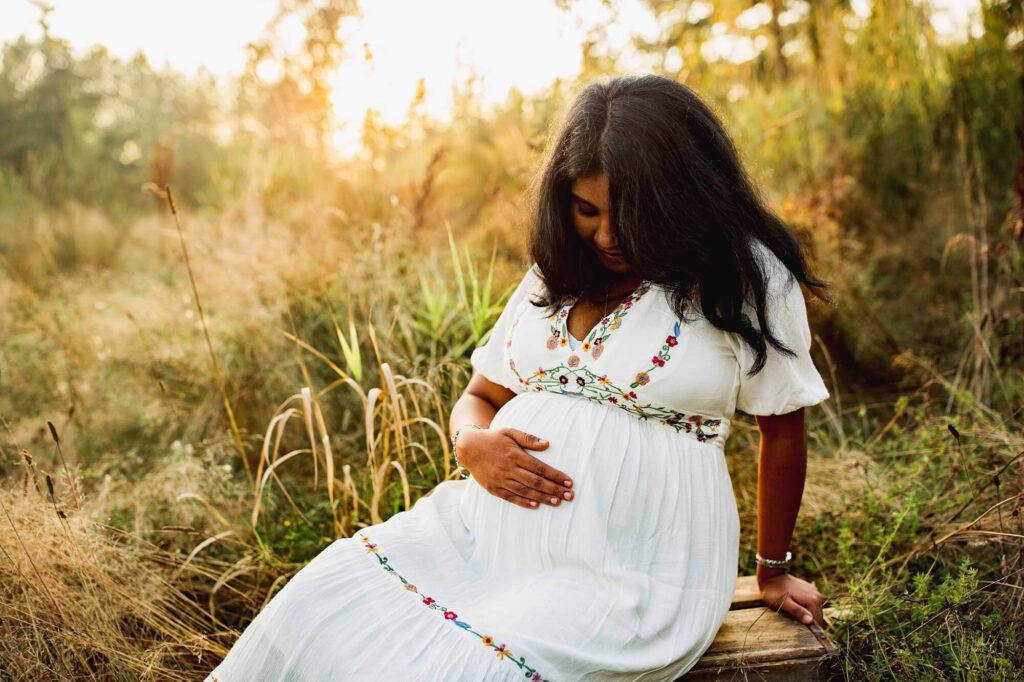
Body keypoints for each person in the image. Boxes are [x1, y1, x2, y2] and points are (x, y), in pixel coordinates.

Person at [203, 73, 831, 681]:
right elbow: (481, 397)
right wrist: (471, 444)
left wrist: (772, 570)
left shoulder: (745, 277)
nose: (607, 235)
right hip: (478, 541)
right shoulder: (557, 272)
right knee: (320, 601)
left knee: (473, 669)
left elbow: (782, 433)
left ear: (682, 197)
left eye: (631, 215)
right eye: (586, 209)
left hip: (632, 575)